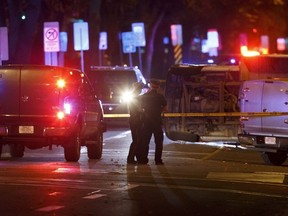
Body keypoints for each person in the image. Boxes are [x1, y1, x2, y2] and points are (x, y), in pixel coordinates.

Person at [137, 79, 167, 165]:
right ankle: (158, 160)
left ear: (150, 85)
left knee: (145, 142)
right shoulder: (161, 97)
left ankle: (143, 159)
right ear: (158, 87)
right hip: (157, 122)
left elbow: (140, 108)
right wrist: (158, 110)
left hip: (147, 122)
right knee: (158, 142)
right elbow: (165, 109)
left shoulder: (145, 96)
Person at [127, 82, 144, 164]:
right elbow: (138, 110)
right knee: (136, 140)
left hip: (134, 120)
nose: (141, 90)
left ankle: (136, 158)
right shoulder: (135, 98)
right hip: (135, 120)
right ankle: (130, 158)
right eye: (140, 89)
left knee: (137, 140)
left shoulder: (133, 97)